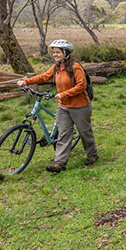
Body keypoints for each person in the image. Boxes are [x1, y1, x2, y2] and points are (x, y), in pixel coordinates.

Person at [17, 39, 98, 172]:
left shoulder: (75, 66)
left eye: (58, 52)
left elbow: (81, 85)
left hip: (80, 106)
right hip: (63, 106)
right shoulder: (56, 67)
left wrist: (64, 94)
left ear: (65, 53)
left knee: (85, 132)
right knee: (63, 134)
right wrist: (26, 81)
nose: (55, 55)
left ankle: (92, 154)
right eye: (53, 52)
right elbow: (44, 77)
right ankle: (59, 163)